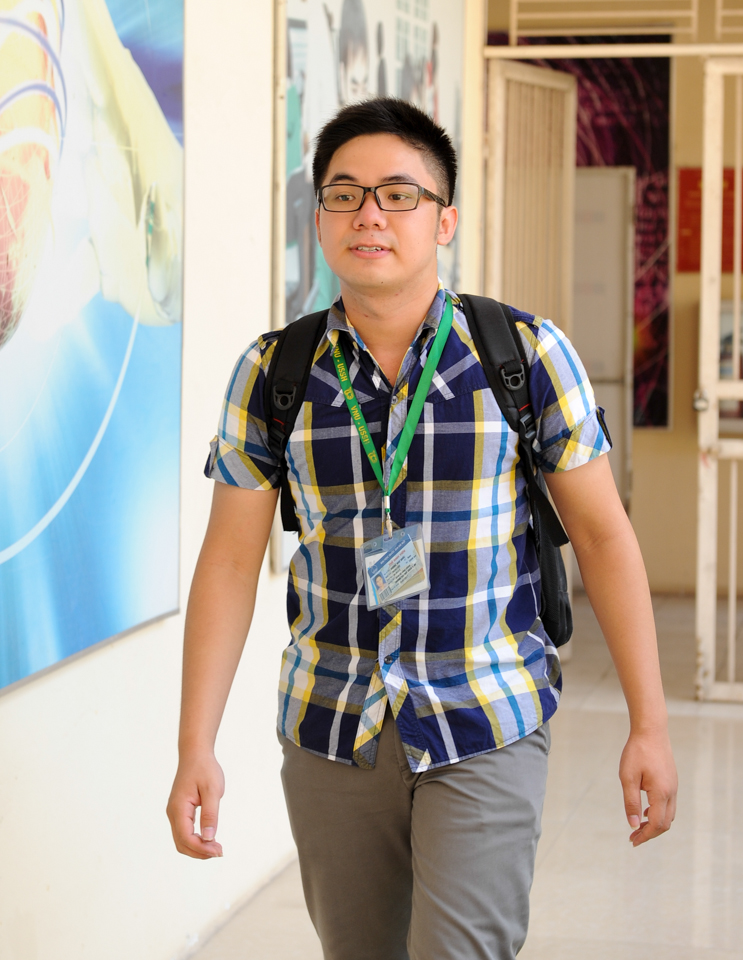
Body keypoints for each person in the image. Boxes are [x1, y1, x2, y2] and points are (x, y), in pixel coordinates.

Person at [167, 98, 678, 960]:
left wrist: (649, 724)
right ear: (319, 220)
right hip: (333, 724)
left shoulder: (522, 355)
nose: (369, 214)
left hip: (484, 714)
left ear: (443, 220)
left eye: (398, 194)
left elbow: (602, 538)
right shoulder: (272, 372)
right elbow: (227, 561)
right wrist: (195, 745)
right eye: (344, 194)